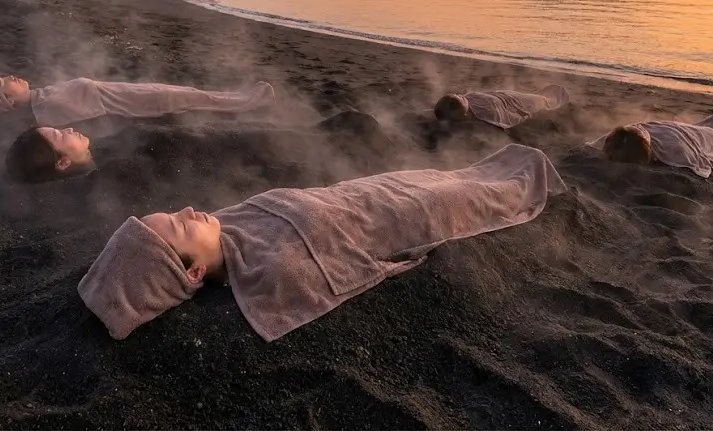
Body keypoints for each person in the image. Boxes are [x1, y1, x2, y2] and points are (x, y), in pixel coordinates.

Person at [77, 143, 566, 342]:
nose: (188, 210)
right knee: (484, 192)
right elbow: (361, 268)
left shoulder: (227, 223)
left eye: (176, 211)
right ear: (193, 274)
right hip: (405, 218)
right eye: (181, 226)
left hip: (368, 190)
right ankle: (531, 172)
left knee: (441, 174)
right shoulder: (272, 276)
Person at [5, 109, 410, 185]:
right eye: (62, 135)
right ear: (62, 163)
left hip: (240, 135)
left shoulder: (107, 148)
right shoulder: (114, 174)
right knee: (358, 126)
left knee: (348, 123)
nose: (72, 129)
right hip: (247, 152)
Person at [0, 75, 275, 128]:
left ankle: (238, 98)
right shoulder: (46, 107)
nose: (12, 77)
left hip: (129, 91)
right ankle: (245, 103)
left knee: (188, 92)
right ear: (6, 100)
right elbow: (98, 117)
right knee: (190, 98)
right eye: (6, 83)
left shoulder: (42, 96)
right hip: (133, 103)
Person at [591, 113, 713, 178]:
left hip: (678, 134)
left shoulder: (675, 151)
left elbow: (700, 167)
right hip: (660, 130)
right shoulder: (618, 137)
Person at [433, 85, 570, 129]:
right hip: (512, 103)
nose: (459, 95)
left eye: (458, 95)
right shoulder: (488, 115)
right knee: (543, 100)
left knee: (538, 97)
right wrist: (526, 115)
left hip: (506, 96)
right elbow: (511, 117)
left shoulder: (466, 99)